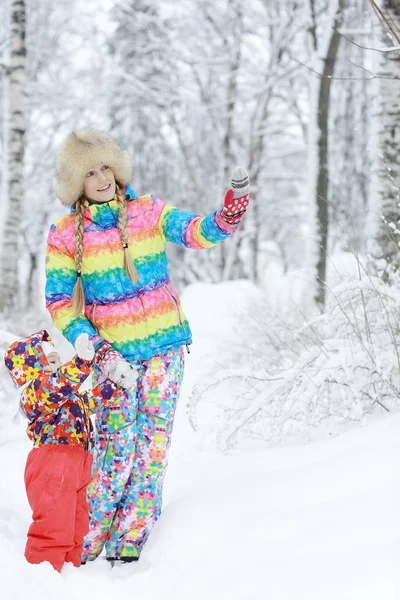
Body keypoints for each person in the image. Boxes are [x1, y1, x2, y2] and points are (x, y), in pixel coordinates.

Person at [45, 129, 250, 564]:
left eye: (106, 167)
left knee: (152, 449)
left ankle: (131, 545)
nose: (101, 178)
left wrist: (227, 215)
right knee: (115, 452)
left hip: (164, 351)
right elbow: (60, 301)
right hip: (112, 360)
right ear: (75, 182)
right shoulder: (64, 234)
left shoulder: (148, 212)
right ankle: (89, 540)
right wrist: (94, 347)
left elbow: (196, 232)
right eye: (90, 172)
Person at [3, 329, 122, 572]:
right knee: (54, 526)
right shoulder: (35, 393)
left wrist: (115, 386)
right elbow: (59, 384)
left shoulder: (63, 395)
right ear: (37, 367)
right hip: (53, 463)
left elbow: (86, 402)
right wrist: (81, 363)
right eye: (54, 360)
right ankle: (41, 579)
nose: (61, 364)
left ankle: (69, 575)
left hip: (77, 465)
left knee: (76, 526)